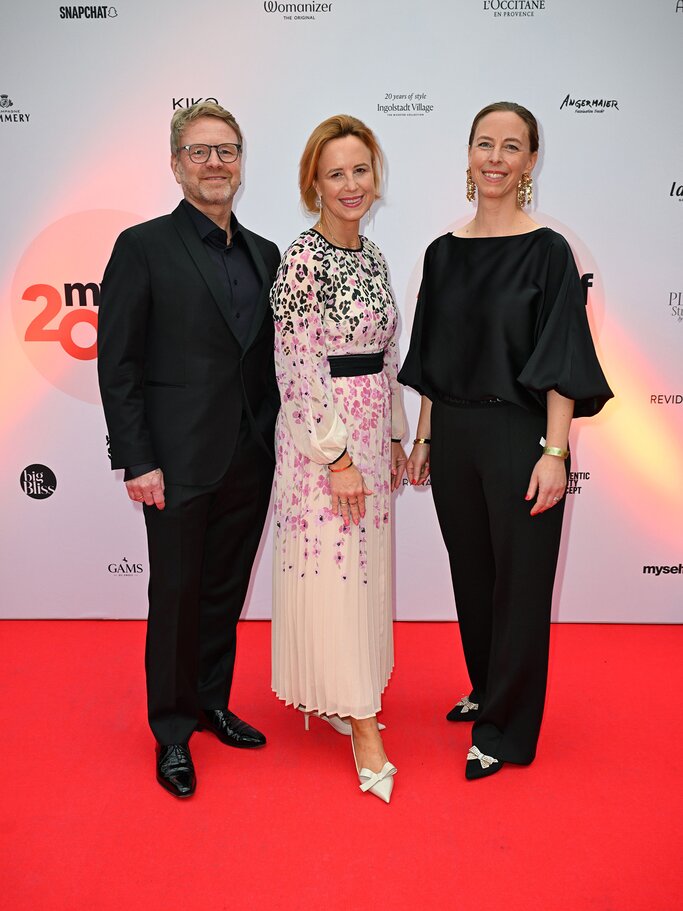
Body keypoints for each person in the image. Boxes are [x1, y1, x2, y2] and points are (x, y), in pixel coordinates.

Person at [399, 101, 613, 780]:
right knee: (474, 575)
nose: (494, 157)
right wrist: (425, 438)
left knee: (520, 585)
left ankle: (505, 729)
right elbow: (431, 359)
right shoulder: (441, 252)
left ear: (529, 162)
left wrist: (554, 453)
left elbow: (560, 360)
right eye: (483, 143)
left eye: (510, 146)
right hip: (455, 434)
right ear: (467, 155)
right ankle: (487, 685)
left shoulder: (547, 250)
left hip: (520, 433)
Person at [98, 102, 281, 798]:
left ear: (240, 162)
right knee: (175, 595)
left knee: (222, 590)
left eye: (226, 151)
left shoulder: (265, 254)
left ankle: (210, 701)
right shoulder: (140, 246)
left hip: (249, 456)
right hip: (172, 460)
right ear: (175, 164)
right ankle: (172, 731)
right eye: (199, 152)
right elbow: (118, 365)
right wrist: (136, 457)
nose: (215, 164)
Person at [270, 115, 407, 803]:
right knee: (333, 570)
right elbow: (295, 368)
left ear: (373, 177)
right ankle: (361, 724)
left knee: (360, 574)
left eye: (359, 170)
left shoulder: (375, 259)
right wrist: (338, 457)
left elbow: (386, 358)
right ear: (313, 185)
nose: (350, 185)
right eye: (335, 174)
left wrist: (390, 437)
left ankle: (340, 693)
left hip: (370, 430)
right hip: (320, 440)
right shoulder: (300, 259)